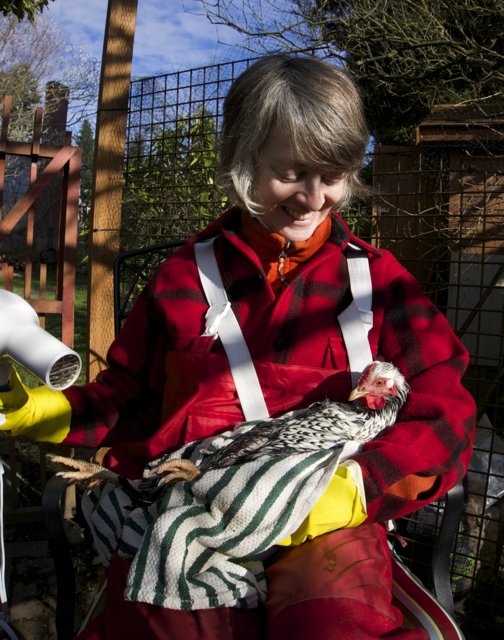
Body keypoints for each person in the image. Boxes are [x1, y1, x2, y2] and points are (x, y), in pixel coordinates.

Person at [0, 54, 475, 640]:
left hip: (327, 527)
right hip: (190, 515)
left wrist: (358, 488)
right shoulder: (180, 280)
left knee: (333, 622)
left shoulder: (380, 284)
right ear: (240, 161)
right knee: (168, 620)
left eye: (333, 177)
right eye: (292, 173)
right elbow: (131, 398)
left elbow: (445, 410)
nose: (312, 199)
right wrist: (56, 413)